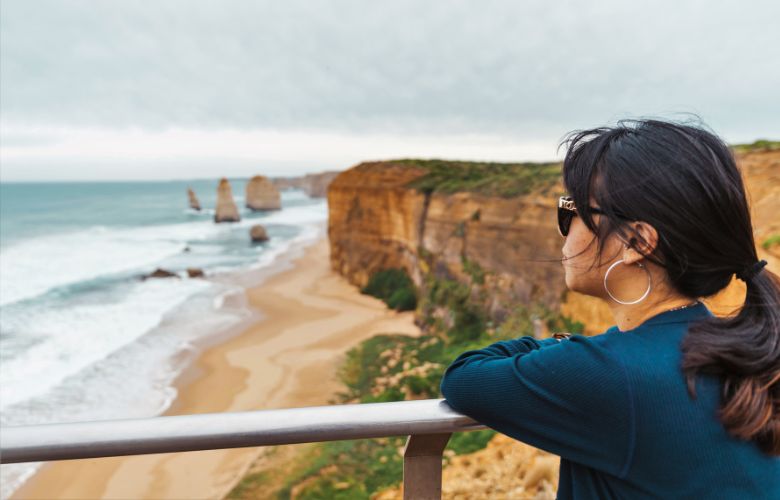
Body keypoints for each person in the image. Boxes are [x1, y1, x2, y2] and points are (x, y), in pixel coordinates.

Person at [440, 119, 780, 499]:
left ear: (636, 242)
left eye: (571, 210)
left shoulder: (614, 374)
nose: (565, 230)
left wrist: (571, 348)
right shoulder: (735, 348)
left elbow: (464, 378)